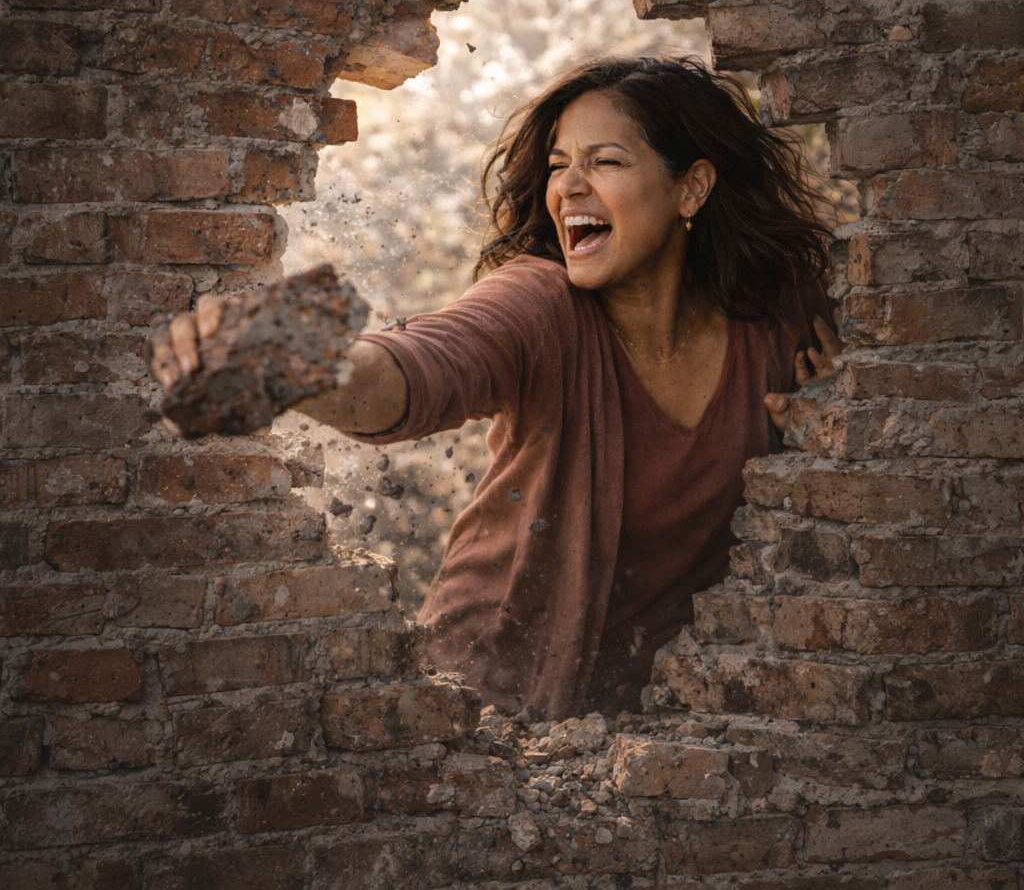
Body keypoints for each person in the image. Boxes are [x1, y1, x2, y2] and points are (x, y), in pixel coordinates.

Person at [151, 55, 842, 720]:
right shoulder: (539, 300)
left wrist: (842, 416)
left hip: (661, 729)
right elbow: (423, 366)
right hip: (481, 699)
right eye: (558, 166)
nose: (568, 188)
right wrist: (290, 359)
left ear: (691, 187)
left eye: (604, 161)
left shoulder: (782, 318)